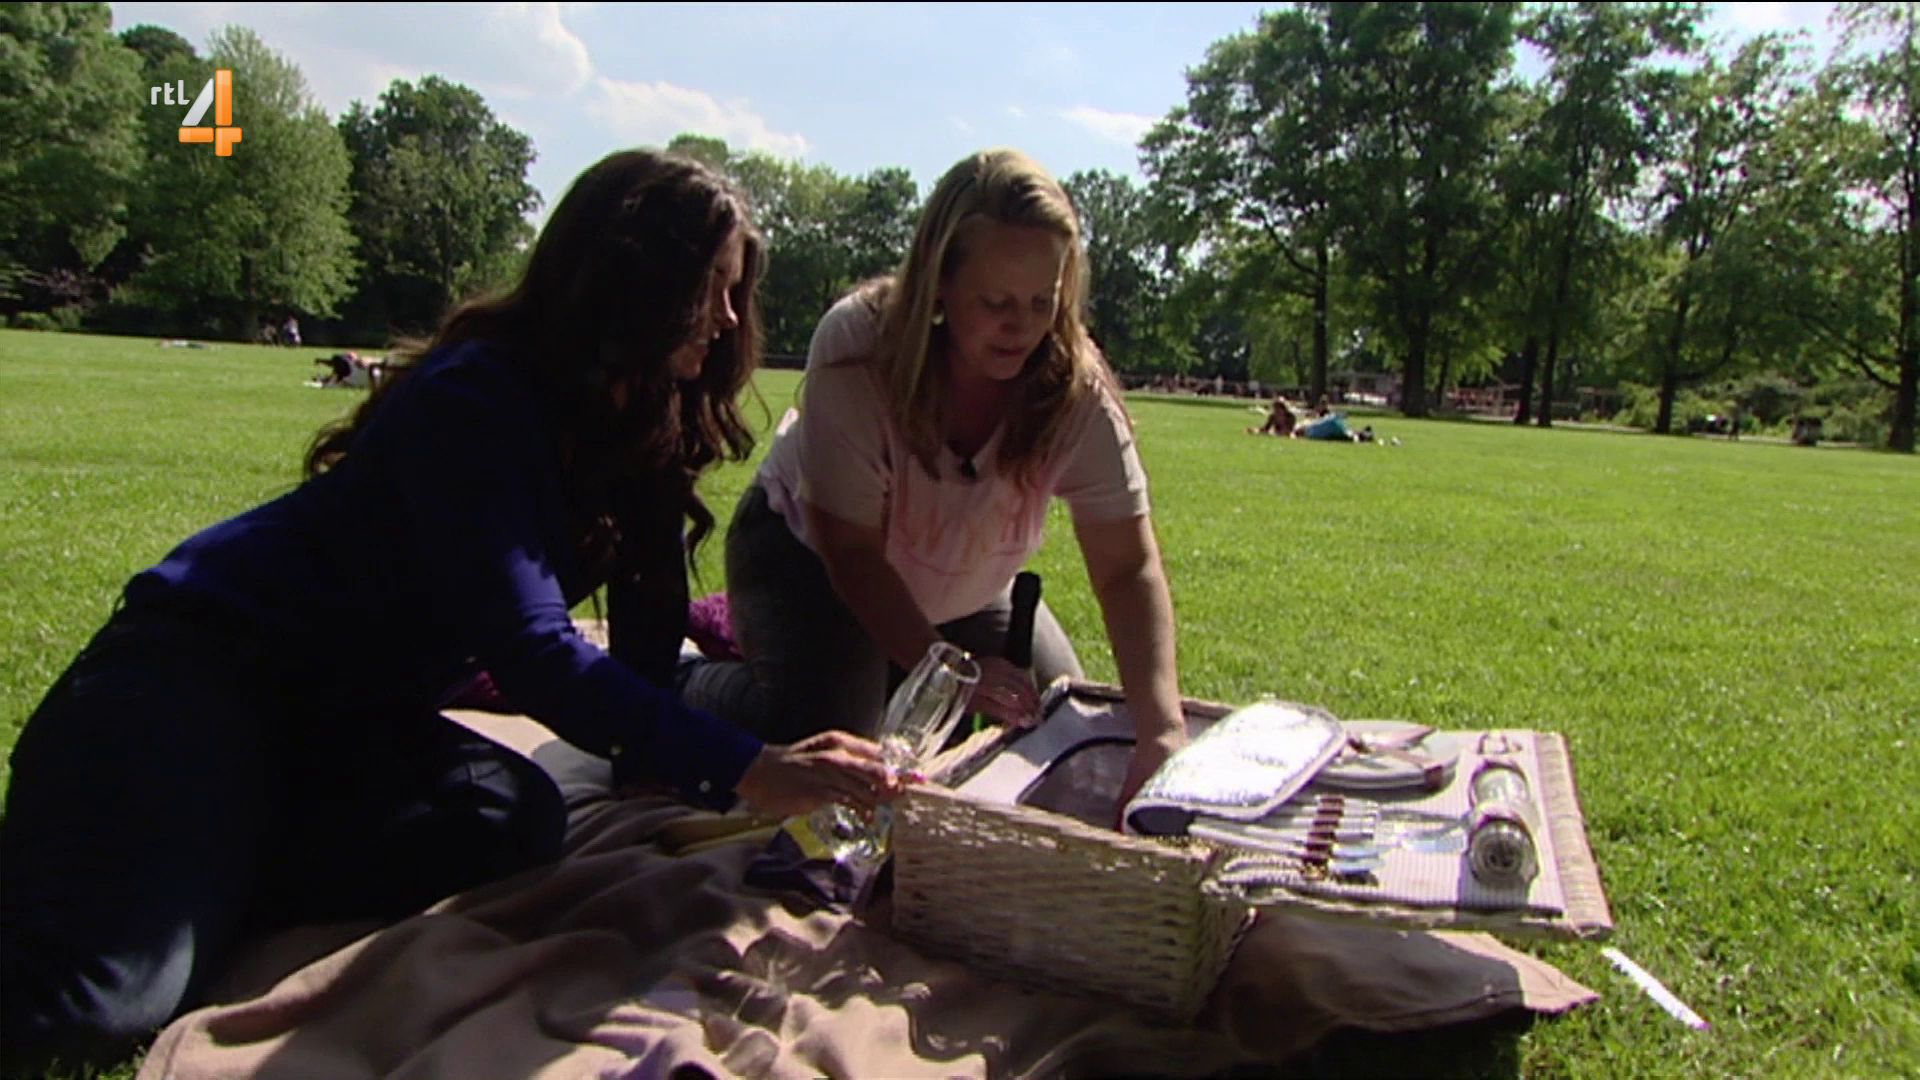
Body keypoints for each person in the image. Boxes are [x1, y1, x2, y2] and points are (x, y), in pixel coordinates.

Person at [0, 149, 897, 1077]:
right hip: (201, 675)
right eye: (709, 289)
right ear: (629, 280)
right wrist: (750, 766)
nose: (728, 318)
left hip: (342, 722)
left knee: (507, 819)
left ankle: (202, 857)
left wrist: (650, 763)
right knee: (93, 1007)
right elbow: (534, 649)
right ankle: (153, 852)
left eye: (735, 291)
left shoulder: (635, 415)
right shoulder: (475, 399)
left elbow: (648, 606)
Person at [682, 147, 1188, 813]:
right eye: (996, 301)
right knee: (840, 753)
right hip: (808, 557)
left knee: (1060, 724)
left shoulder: (1075, 390)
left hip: (961, 582)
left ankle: (891, 671)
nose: (1022, 325)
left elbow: (1127, 567)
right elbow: (851, 552)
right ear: (938, 282)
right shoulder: (860, 346)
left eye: (1043, 301)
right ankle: (690, 681)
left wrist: (1163, 732)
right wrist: (949, 674)